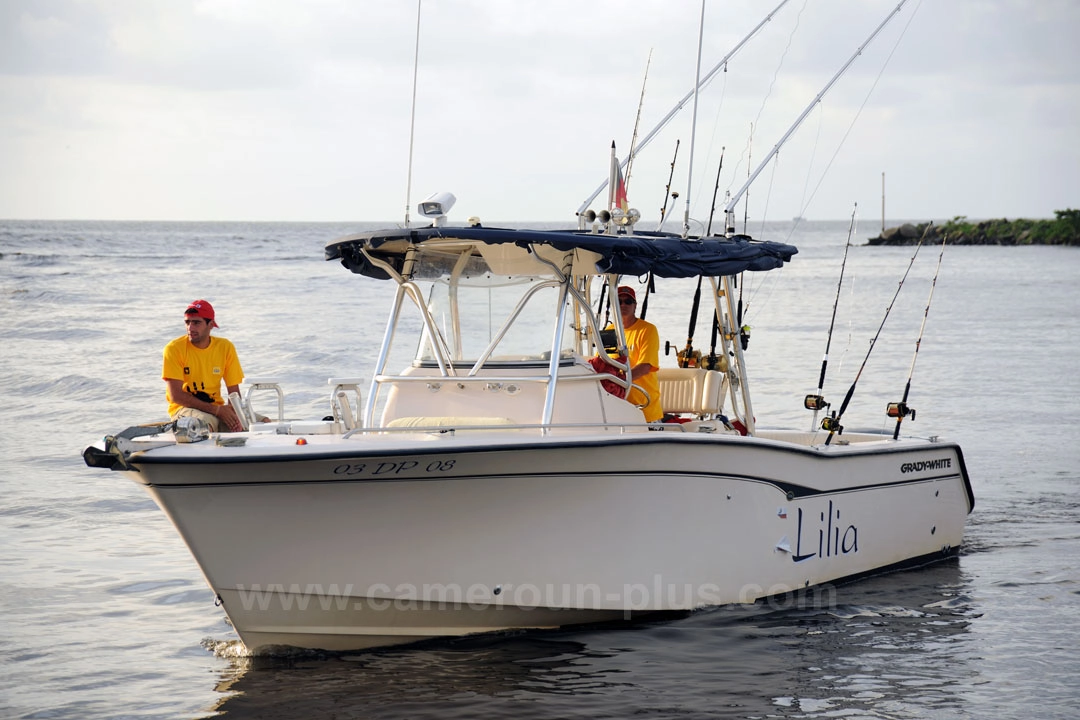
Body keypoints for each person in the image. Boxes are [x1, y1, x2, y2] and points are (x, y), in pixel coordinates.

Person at [162, 299, 247, 432]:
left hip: (216, 409)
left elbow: (234, 393)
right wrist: (218, 411)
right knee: (204, 427)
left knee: (260, 422)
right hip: (183, 409)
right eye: (187, 322)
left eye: (196, 322)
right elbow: (176, 396)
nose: (190, 327)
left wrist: (234, 415)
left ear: (211, 324)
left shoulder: (225, 347)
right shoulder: (174, 348)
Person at [616, 285, 663, 422]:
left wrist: (617, 381)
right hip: (616, 411)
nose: (623, 305)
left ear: (635, 305)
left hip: (645, 412)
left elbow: (645, 367)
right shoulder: (609, 331)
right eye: (619, 301)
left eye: (628, 301)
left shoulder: (648, 330)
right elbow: (601, 364)